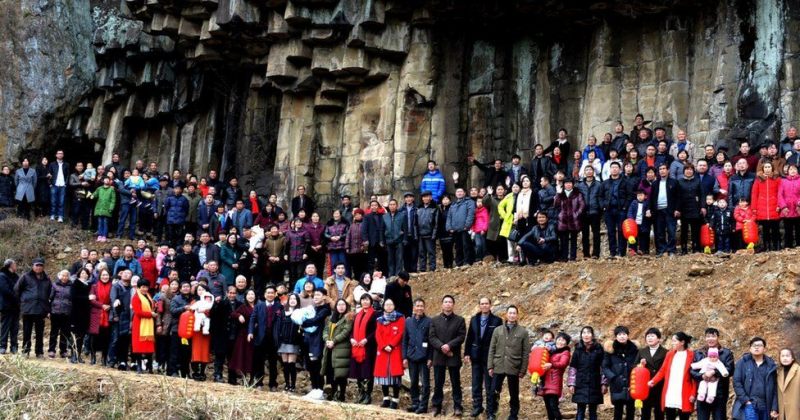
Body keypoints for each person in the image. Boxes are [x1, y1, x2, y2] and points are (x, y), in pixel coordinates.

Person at [464, 297, 503, 418]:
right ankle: (477, 406)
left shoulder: (497, 321)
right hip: (476, 356)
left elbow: (499, 341)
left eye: (486, 303)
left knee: (490, 386)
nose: (484, 306)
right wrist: (466, 353)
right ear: (479, 306)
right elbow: (469, 337)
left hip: (490, 359)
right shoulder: (474, 319)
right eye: (482, 304)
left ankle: (490, 410)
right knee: (476, 384)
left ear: (490, 305)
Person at [430, 295, 466, 417]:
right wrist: (442, 347)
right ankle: (436, 406)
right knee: (438, 383)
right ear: (442, 304)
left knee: (455, 382)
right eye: (445, 302)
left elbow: (461, 337)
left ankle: (457, 406)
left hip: (453, 355)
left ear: (453, 304)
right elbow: (432, 337)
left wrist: (449, 346)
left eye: (450, 302)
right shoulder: (434, 320)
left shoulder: (460, 320)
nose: (448, 304)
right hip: (438, 356)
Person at [648, 332, 697, 420]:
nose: (672, 343)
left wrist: (693, 393)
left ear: (682, 342)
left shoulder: (692, 355)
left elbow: (694, 376)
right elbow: (662, 370)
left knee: (684, 415)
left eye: (674, 341)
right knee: (669, 415)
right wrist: (653, 381)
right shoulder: (670, 354)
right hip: (670, 389)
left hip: (685, 390)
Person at [691, 328, 737, 420]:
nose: (710, 339)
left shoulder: (726, 353)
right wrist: (702, 376)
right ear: (705, 338)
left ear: (718, 337)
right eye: (708, 336)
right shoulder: (699, 353)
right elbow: (692, 370)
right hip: (702, 393)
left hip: (720, 393)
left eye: (713, 336)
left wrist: (714, 373)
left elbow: (730, 370)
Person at [732, 337, 779, 420]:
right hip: (750, 404)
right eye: (754, 345)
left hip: (765, 405)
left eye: (759, 345)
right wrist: (746, 401)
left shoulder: (771, 365)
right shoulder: (742, 363)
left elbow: (775, 387)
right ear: (750, 348)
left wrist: (774, 407)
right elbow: (737, 382)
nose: (756, 347)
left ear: (764, 348)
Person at [14, 257, 51, 358]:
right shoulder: (25, 277)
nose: (39, 267)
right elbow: (17, 290)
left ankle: (39, 352)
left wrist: (47, 309)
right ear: (33, 266)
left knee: (40, 333)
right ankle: (25, 351)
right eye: (37, 265)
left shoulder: (47, 279)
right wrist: (21, 303)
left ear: (43, 267)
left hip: (41, 310)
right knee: (27, 332)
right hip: (28, 309)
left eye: (41, 265)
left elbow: (49, 294)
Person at [299, 288, 331, 400]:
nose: (316, 297)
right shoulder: (314, 308)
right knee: (311, 366)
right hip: (310, 340)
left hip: (319, 341)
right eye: (314, 295)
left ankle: (320, 390)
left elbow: (316, 320)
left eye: (318, 295)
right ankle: (314, 388)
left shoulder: (326, 309)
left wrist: (302, 322)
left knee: (318, 365)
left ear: (324, 297)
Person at [248, 285, 282, 391]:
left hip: (274, 338)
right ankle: (259, 383)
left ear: (275, 294)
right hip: (260, 337)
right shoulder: (259, 305)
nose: (270, 294)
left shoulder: (279, 306)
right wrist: (250, 332)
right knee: (259, 362)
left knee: (273, 363)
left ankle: (273, 384)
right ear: (264, 294)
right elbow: (252, 319)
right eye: (268, 293)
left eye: (272, 293)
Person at [568, 326, 605, 420]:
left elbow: (603, 367)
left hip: (595, 383)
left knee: (593, 412)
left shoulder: (599, 349)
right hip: (580, 383)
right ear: (581, 335)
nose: (586, 335)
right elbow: (573, 367)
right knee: (580, 411)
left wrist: (604, 383)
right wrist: (571, 384)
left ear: (592, 335)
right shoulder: (578, 349)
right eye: (584, 333)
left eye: (588, 333)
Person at [374, 298, 405, 409]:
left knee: (395, 376)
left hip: (394, 349)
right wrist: (383, 346)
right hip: (383, 350)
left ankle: (395, 399)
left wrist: (391, 345)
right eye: (386, 304)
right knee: (383, 375)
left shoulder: (400, 318)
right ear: (383, 306)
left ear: (394, 306)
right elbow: (378, 334)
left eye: (390, 304)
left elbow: (400, 333)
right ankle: (386, 398)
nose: (388, 306)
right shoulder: (379, 320)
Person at [603, 326, 639, 420]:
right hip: (617, 384)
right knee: (618, 410)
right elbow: (605, 367)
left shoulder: (635, 350)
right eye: (619, 334)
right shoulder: (610, 351)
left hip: (632, 383)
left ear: (628, 336)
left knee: (631, 409)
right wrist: (613, 378)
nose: (622, 336)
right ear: (616, 337)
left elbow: (638, 365)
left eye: (624, 334)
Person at [403, 298, 432, 414]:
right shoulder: (408, 321)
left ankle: (423, 405)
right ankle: (415, 403)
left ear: (424, 308)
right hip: (411, 356)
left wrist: (430, 357)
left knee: (425, 383)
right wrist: (404, 357)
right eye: (417, 306)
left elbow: (431, 341)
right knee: (413, 381)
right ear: (414, 308)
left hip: (424, 357)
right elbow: (405, 340)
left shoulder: (429, 321)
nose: (419, 308)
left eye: (421, 306)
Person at [321, 298, 353, 402]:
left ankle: (342, 395)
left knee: (341, 374)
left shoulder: (349, 318)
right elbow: (325, 330)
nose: (341, 307)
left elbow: (345, 332)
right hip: (330, 348)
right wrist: (327, 340)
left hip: (342, 349)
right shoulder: (330, 318)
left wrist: (333, 341)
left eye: (343, 305)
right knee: (330, 372)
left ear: (346, 306)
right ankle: (333, 393)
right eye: (339, 305)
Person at [350, 293, 378, 404]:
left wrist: (366, 339)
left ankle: (368, 394)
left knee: (367, 371)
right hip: (356, 346)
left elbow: (376, 330)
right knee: (358, 371)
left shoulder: (375, 314)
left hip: (369, 347)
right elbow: (351, 330)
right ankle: (361, 393)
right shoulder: (357, 315)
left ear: (371, 302)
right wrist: (352, 338)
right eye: (363, 300)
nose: (365, 302)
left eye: (367, 300)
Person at [751, 161, 782, 251]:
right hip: (762, 208)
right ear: (762, 169)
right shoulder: (758, 180)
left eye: (769, 167)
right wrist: (754, 208)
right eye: (766, 167)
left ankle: (777, 246)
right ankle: (767, 247)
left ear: (772, 168)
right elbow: (754, 194)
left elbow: (780, 193)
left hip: (774, 208)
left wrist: (779, 205)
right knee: (765, 230)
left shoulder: (777, 179)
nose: (767, 169)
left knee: (775, 229)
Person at [275, 293, 303, 392]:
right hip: (283, 341)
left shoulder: (300, 312)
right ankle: (287, 384)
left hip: (294, 341)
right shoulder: (283, 312)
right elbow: (279, 327)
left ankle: (293, 385)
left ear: (297, 301)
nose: (292, 300)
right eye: (290, 298)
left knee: (292, 364)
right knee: (285, 364)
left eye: (294, 299)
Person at [638, 328, 667, 420]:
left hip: (660, 385)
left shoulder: (666, 352)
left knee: (659, 412)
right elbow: (634, 366)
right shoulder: (642, 351)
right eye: (648, 336)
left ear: (659, 339)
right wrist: (641, 365)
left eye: (652, 336)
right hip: (646, 386)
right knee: (645, 412)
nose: (649, 338)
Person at [650, 164, 679, 256]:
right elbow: (651, 198)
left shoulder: (674, 182)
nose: (662, 171)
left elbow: (679, 197)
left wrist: (677, 209)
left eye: (664, 168)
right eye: (660, 169)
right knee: (659, 231)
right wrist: (650, 209)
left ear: (668, 170)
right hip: (658, 211)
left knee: (671, 231)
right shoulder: (655, 183)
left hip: (670, 210)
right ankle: (661, 250)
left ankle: (671, 250)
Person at [676, 164, 705, 254]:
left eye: (691, 169)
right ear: (684, 171)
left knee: (695, 230)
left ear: (693, 171)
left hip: (695, 208)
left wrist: (703, 206)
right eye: (687, 169)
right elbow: (677, 196)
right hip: (683, 209)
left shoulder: (697, 181)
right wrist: (677, 209)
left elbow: (702, 195)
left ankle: (696, 248)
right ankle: (684, 249)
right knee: (684, 230)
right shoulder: (679, 181)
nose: (689, 171)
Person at [555, 178, 585, 261]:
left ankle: (573, 257)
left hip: (574, 220)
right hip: (563, 220)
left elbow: (582, 205)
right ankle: (564, 257)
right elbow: (555, 205)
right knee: (563, 240)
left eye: (570, 183)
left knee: (573, 239)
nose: (568, 185)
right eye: (566, 183)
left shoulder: (577, 194)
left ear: (572, 184)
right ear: (564, 185)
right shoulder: (560, 194)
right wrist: (558, 193)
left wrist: (576, 214)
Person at [109, 269, 133, 370]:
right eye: (125, 273)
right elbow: (113, 300)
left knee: (125, 339)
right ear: (121, 274)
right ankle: (112, 359)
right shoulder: (116, 286)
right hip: (118, 315)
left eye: (129, 274)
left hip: (127, 316)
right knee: (115, 338)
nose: (127, 275)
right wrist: (115, 315)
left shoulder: (132, 288)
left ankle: (122, 360)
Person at [130, 278, 155, 373]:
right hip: (139, 324)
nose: (145, 289)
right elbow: (138, 312)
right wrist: (150, 314)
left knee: (149, 346)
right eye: (143, 287)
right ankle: (139, 367)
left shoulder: (148, 296)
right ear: (139, 287)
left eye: (146, 287)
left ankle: (150, 367)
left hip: (148, 324)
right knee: (139, 347)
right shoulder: (136, 297)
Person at [89, 269, 113, 366]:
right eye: (103, 275)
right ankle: (93, 356)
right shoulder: (94, 287)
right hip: (96, 314)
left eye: (106, 275)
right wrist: (102, 305)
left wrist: (109, 306)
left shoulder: (112, 287)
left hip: (108, 314)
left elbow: (114, 298)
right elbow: (92, 300)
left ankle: (104, 358)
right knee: (94, 337)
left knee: (106, 337)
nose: (105, 277)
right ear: (99, 276)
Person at [446, 188, 476, 267]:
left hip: (465, 229)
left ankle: (467, 262)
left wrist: (467, 225)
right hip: (455, 229)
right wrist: (449, 227)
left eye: (461, 191)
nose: (459, 193)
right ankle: (459, 263)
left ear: (464, 193)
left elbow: (471, 214)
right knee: (458, 247)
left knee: (466, 246)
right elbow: (449, 216)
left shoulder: (469, 202)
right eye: (457, 192)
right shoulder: (453, 204)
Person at [48, 270, 72, 358]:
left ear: (68, 277)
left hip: (67, 312)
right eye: (63, 275)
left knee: (65, 333)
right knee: (54, 332)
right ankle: (51, 350)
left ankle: (63, 351)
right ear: (59, 276)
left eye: (66, 276)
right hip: (55, 312)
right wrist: (49, 311)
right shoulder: (54, 285)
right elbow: (50, 298)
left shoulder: (71, 286)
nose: (64, 277)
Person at [70, 268, 92, 363]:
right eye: (82, 273)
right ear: (79, 274)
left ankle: (78, 355)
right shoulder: (75, 283)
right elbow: (73, 297)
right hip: (76, 313)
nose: (84, 275)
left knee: (82, 336)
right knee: (75, 335)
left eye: (86, 273)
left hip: (85, 314)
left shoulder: (89, 285)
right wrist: (87, 298)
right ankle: (73, 355)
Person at [0, 259, 20, 355]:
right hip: (6, 306)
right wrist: (17, 297)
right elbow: (5, 290)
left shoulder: (16, 277)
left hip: (16, 306)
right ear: (10, 266)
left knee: (15, 328)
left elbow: (20, 288)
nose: (16, 266)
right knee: (5, 327)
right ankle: (2, 346)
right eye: (15, 264)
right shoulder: (2, 276)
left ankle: (14, 346)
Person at [383, 199, 406, 277]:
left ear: (397, 206)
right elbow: (382, 229)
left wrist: (404, 238)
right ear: (388, 206)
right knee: (390, 259)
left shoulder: (402, 215)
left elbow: (405, 228)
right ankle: (391, 275)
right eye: (390, 205)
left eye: (394, 204)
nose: (392, 206)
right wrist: (383, 240)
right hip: (389, 240)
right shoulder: (385, 217)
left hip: (399, 240)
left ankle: (398, 275)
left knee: (399, 259)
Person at [778, 164, 800, 248]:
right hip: (787, 209)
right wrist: (783, 206)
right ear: (787, 171)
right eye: (791, 169)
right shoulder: (783, 181)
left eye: (794, 169)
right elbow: (780, 195)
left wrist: (799, 203)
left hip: (798, 209)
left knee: (798, 229)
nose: (793, 171)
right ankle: (788, 246)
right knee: (788, 229)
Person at [417, 191, 439, 271]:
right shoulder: (419, 208)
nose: (426, 198)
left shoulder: (434, 208)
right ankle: (422, 269)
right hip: (420, 234)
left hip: (430, 234)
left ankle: (432, 268)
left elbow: (436, 223)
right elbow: (415, 223)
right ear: (422, 198)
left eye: (427, 196)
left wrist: (434, 235)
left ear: (431, 197)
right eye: (424, 197)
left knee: (431, 252)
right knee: (421, 253)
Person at [776, 348, 799, 420]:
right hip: (782, 411)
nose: (785, 358)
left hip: (795, 410)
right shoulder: (778, 372)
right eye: (782, 356)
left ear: (792, 358)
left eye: (787, 356)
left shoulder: (798, 371)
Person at [324, 210, 349, 275]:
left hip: (342, 247)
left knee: (343, 264)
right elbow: (325, 233)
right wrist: (330, 237)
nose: (336, 215)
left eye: (337, 214)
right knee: (333, 264)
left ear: (340, 215)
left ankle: (345, 280)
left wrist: (340, 237)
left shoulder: (345, 223)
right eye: (335, 214)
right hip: (332, 247)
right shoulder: (329, 223)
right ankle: (333, 280)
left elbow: (347, 233)